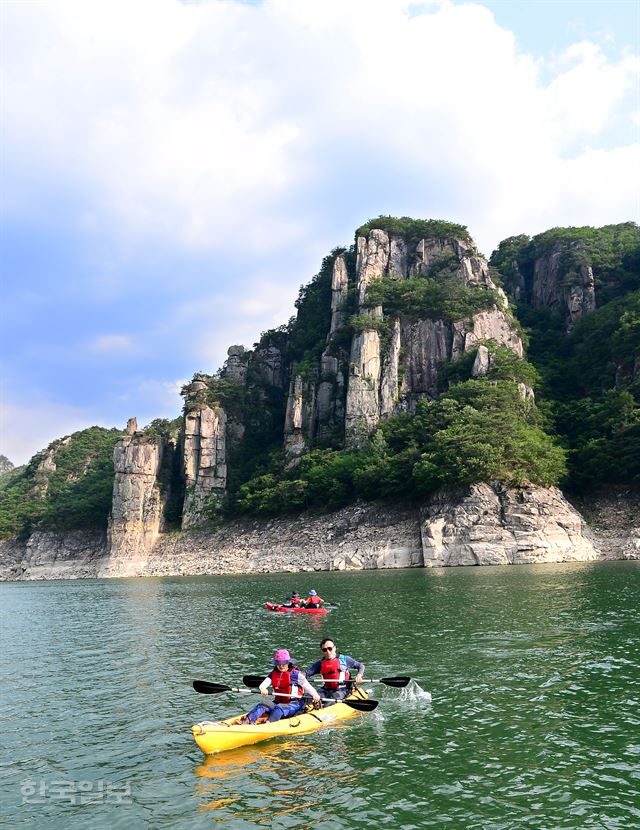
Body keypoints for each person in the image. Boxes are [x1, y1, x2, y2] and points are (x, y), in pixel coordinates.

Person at [241, 649, 320, 724]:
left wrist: (315, 695)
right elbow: (264, 684)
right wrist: (263, 688)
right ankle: (248, 720)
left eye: (284, 663)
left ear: (288, 663)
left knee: (279, 708)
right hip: (278, 702)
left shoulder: (296, 674)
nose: (281, 666)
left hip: (294, 704)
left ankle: (268, 724)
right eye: (279, 664)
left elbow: (308, 687)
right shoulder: (274, 673)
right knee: (262, 705)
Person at [305, 638, 365, 704]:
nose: (328, 652)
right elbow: (306, 673)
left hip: (342, 689)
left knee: (329, 702)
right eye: (325, 650)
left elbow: (361, 666)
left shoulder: (345, 659)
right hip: (325, 689)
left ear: (335, 648)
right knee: (307, 698)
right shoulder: (320, 663)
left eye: (330, 648)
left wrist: (359, 675)